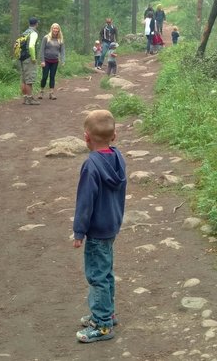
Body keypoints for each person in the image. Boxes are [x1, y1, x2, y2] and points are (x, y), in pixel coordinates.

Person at [73, 109, 127, 343]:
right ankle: (108, 313)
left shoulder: (91, 165)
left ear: (86, 137)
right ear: (114, 136)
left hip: (96, 230)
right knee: (106, 272)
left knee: (97, 275)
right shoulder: (118, 157)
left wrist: (79, 231)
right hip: (112, 224)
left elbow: (85, 202)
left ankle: (102, 324)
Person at [38, 23, 66, 100]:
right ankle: (41, 91)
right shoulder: (46, 38)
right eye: (54, 28)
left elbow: (62, 51)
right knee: (44, 76)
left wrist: (63, 60)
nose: (55, 30)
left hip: (55, 61)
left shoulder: (60, 39)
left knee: (52, 76)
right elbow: (42, 50)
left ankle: (51, 93)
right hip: (46, 60)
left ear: (59, 30)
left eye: (57, 28)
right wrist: (42, 60)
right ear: (51, 29)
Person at [19, 17, 41, 105]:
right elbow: (31, 46)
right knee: (29, 79)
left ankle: (25, 98)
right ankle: (29, 99)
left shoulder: (25, 32)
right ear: (36, 24)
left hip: (22, 57)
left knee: (24, 79)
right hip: (28, 58)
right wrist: (33, 57)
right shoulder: (33, 33)